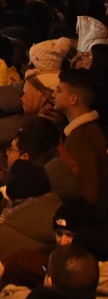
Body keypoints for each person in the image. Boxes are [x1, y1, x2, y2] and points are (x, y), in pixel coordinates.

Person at [55, 69, 106, 207]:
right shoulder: (85, 131)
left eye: (59, 91)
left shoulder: (80, 139)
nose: (54, 95)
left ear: (74, 99)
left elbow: (88, 192)